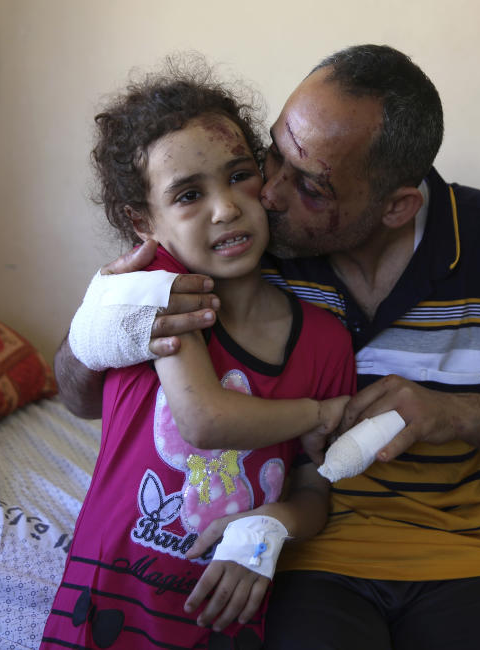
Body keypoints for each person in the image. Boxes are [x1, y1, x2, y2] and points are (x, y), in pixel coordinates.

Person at [56, 45, 480, 649]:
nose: (266, 194)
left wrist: (453, 413)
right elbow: (92, 395)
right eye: (272, 153)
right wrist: (97, 329)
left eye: (311, 187)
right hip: (309, 554)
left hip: (462, 554)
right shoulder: (241, 245)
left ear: (396, 207)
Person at [40, 60, 356, 650]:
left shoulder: (325, 341)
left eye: (239, 176)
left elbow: (315, 489)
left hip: (226, 610)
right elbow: (204, 420)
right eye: (189, 194)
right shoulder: (155, 299)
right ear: (143, 222)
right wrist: (321, 413)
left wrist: (274, 524)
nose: (226, 208)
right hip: (109, 594)